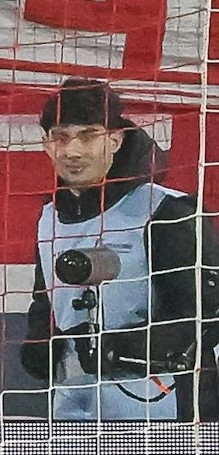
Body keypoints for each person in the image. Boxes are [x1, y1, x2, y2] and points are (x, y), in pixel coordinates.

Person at [21, 79, 218, 422]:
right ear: (46, 145)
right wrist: (41, 342)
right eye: (61, 137)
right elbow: (46, 299)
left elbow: (202, 318)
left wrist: (116, 350)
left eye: (88, 135)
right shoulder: (49, 216)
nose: (72, 151)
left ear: (114, 139)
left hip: (160, 405)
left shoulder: (165, 211)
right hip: (73, 402)